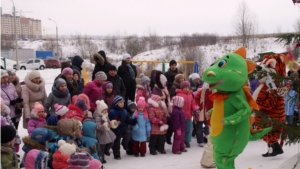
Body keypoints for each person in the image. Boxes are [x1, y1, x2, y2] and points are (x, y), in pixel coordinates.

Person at [108, 95, 137, 160]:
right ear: (116, 103)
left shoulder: (124, 111)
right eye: (120, 102)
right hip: (116, 129)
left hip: (123, 128)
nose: (122, 103)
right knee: (116, 142)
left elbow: (127, 120)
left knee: (129, 133)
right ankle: (117, 155)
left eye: (123, 102)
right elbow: (110, 121)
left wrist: (134, 121)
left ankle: (125, 145)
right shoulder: (112, 112)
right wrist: (114, 123)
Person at [176, 81, 198, 148]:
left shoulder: (190, 95)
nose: (187, 89)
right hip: (182, 115)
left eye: (188, 87)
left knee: (189, 129)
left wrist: (195, 109)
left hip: (189, 115)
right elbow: (177, 105)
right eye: (185, 87)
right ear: (182, 88)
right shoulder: (179, 95)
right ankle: (181, 141)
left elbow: (193, 103)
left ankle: (187, 141)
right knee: (183, 129)